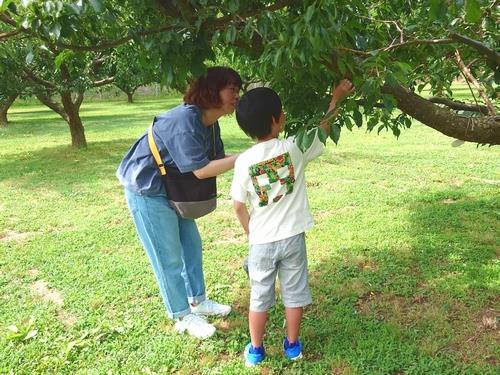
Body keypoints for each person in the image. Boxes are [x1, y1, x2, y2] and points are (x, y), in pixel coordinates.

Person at [230, 80, 354, 365]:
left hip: (261, 242)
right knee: (294, 293)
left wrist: (251, 232)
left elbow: (238, 205)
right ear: (276, 120)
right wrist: (336, 97)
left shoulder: (244, 161)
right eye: (282, 112)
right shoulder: (294, 148)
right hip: (292, 238)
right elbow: (324, 129)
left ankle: (256, 349)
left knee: (259, 297)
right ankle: (293, 345)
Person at [116, 67, 242, 339]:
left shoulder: (210, 122)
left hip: (174, 186)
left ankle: (197, 300)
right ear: (212, 91)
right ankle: (182, 315)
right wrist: (247, 157)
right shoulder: (186, 119)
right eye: (232, 89)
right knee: (168, 256)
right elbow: (201, 169)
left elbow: (217, 160)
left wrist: (249, 157)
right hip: (147, 188)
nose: (237, 95)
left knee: (191, 245)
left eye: (237, 89)